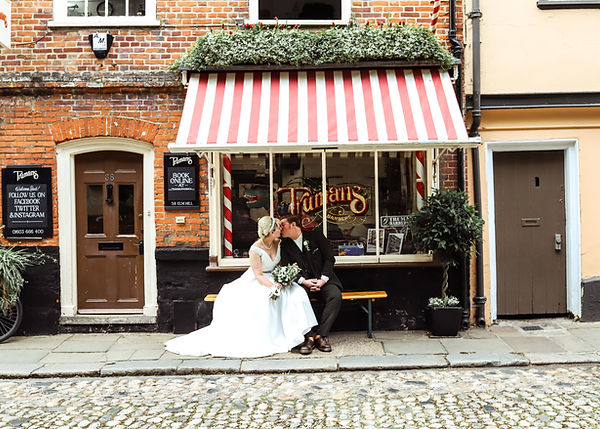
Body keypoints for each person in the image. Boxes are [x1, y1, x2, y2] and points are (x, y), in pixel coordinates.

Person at [165, 216, 317, 358]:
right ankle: (273, 335)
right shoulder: (255, 249)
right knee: (266, 300)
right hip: (260, 280)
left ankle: (304, 333)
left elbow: (279, 264)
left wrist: (283, 278)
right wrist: (273, 286)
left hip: (275, 277)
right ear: (271, 231)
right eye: (278, 228)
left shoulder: (278, 243)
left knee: (297, 293)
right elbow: (258, 275)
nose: (281, 231)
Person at [279, 214, 343, 355]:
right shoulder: (284, 245)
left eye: (283, 224)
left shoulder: (316, 236)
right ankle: (309, 336)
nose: (280, 228)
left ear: (293, 225)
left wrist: (322, 280)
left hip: (325, 280)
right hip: (303, 283)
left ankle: (321, 335)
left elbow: (329, 259)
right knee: (298, 298)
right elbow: (286, 267)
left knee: (335, 296)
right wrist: (304, 281)